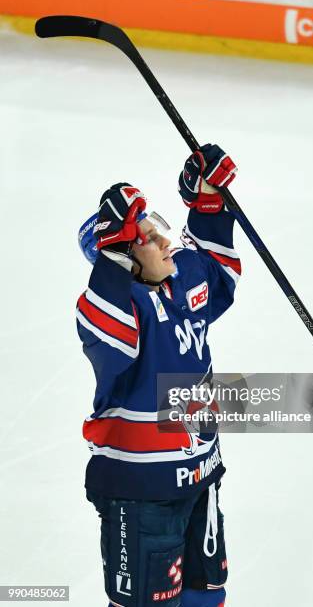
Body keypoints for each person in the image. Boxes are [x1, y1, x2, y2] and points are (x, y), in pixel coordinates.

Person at [76, 144, 241, 607]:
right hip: (142, 495)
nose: (167, 240)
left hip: (201, 476)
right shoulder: (117, 307)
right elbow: (105, 332)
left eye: (159, 229)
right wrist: (112, 254)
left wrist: (207, 199)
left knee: (207, 593)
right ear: (121, 255)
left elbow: (219, 272)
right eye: (148, 237)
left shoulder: (183, 277)